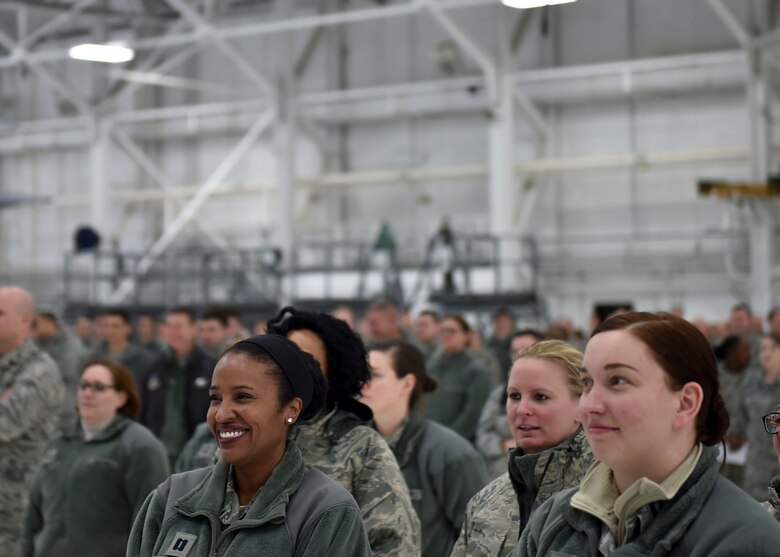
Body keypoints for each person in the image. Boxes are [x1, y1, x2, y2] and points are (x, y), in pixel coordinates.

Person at [512, 312, 780, 557]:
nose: (590, 404)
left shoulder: (744, 540)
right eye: (587, 383)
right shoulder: (553, 519)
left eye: (618, 381)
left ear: (686, 402)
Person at [127, 334, 371, 556]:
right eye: (215, 398)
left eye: (243, 397)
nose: (222, 414)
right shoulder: (171, 498)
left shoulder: (327, 512)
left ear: (291, 409)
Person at [267, 307, 421, 556]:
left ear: (332, 370)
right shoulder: (251, 436)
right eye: (282, 359)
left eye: (306, 360)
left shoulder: (361, 447)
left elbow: (394, 543)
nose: (291, 371)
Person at [453, 340, 593, 557]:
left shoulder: (605, 493)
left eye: (540, 397)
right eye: (514, 396)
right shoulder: (486, 501)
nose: (522, 409)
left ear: (581, 406)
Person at [20, 359, 169, 557]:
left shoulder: (140, 446)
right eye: (84, 386)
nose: (88, 393)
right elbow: (33, 515)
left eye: (98, 387)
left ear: (121, 397)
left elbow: (150, 524)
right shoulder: (58, 442)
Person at [362, 341, 489, 557]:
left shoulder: (450, 454)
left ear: (407, 383)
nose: (362, 383)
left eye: (375, 375)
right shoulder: (356, 449)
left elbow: (483, 538)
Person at [0, 286, 63, 555]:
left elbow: (5, 423)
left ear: (25, 321)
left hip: (15, 510)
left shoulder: (38, 372)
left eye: (0, 313)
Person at [139, 307, 216, 466]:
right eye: (169, 326)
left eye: (179, 326)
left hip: (196, 452)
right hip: (158, 453)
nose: (173, 332)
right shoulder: (154, 368)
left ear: (194, 329)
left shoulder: (210, 367)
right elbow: (143, 411)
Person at [476, 330, 545, 479]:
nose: (518, 357)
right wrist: (501, 445)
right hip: (502, 475)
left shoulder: (558, 391)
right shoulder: (500, 394)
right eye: (514, 352)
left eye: (526, 350)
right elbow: (483, 434)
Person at [426, 314, 492, 442]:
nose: (446, 335)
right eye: (443, 331)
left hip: (462, 442)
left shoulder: (475, 370)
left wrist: (450, 438)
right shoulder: (431, 367)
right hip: (431, 438)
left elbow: (474, 411)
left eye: (452, 331)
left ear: (465, 336)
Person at [731, 332, 780, 500]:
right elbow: (740, 415)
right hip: (755, 463)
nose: (767, 353)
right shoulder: (750, 383)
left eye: (773, 348)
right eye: (763, 349)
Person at [32, 311, 85, 424]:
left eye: (35, 323)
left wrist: (35, 371)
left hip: (65, 405)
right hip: (42, 406)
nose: (32, 327)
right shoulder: (39, 343)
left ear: (48, 322)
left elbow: (67, 371)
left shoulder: (70, 343)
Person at [714, 334, 753, 487]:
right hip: (718, 450)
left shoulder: (754, 378)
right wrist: (724, 435)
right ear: (732, 352)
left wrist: (745, 436)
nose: (749, 353)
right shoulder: (715, 378)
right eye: (744, 349)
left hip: (746, 451)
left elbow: (759, 414)